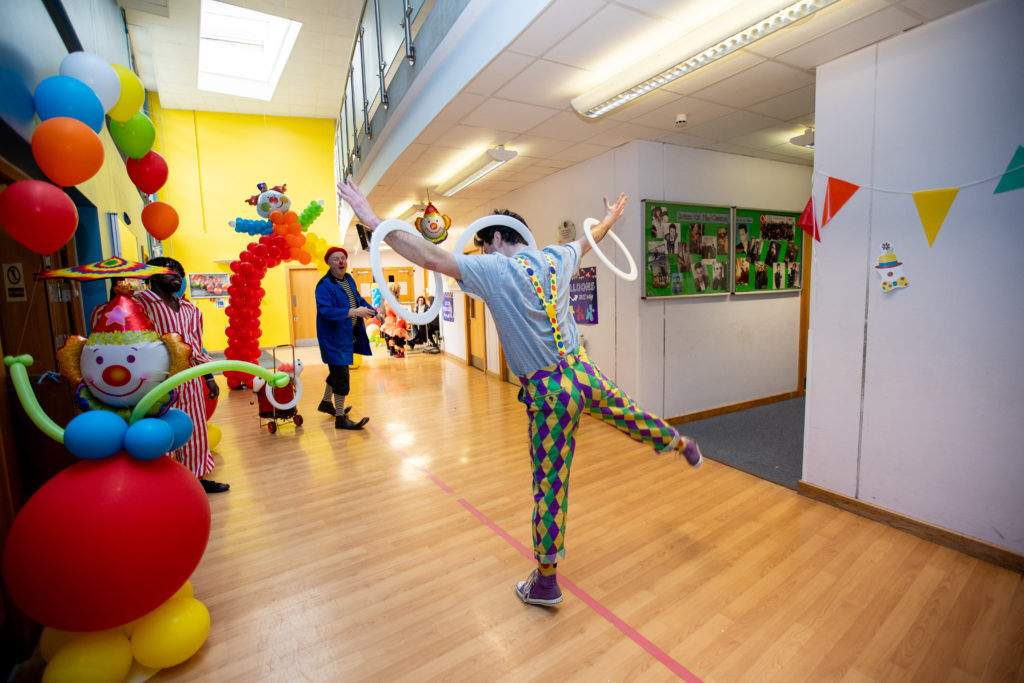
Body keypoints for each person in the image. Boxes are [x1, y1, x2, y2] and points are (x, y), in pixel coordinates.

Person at [337, 179, 703, 608]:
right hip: (582, 371)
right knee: (628, 413)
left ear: (495, 238)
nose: (483, 254)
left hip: (549, 393)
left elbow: (431, 257)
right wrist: (610, 217)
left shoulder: (496, 269)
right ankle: (679, 443)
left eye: (484, 246)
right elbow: (591, 238)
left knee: (550, 483)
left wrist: (375, 221)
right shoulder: (557, 256)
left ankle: (546, 582)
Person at [137, 257, 227, 494]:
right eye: (170, 271)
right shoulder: (139, 304)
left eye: (180, 273)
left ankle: (196, 478)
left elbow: (197, 347)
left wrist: (209, 377)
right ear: (152, 276)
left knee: (194, 428)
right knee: (161, 430)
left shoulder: (190, 310)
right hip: (157, 380)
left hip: (190, 378)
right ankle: (163, 483)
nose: (177, 276)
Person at [315, 246, 374, 429]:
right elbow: (326, 311)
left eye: (343, 258)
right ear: (329, 263)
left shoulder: (349, 279)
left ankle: (326, 402)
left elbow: (358, 300)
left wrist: (374, 311)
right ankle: (340, 418)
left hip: (347, 336)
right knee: (341, 375)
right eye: (336, 259)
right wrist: (353, 312)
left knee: (337, 371)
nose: (341, 261)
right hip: (333, 339)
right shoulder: (324, 285)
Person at [381, 282, 408, 358]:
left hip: (389, 319)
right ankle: (398, 351)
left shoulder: (388, 298)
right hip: (394, 319)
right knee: (397, 336)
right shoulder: (393, 299)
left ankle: (392, 351)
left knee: (391, 336)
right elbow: (396, 310)